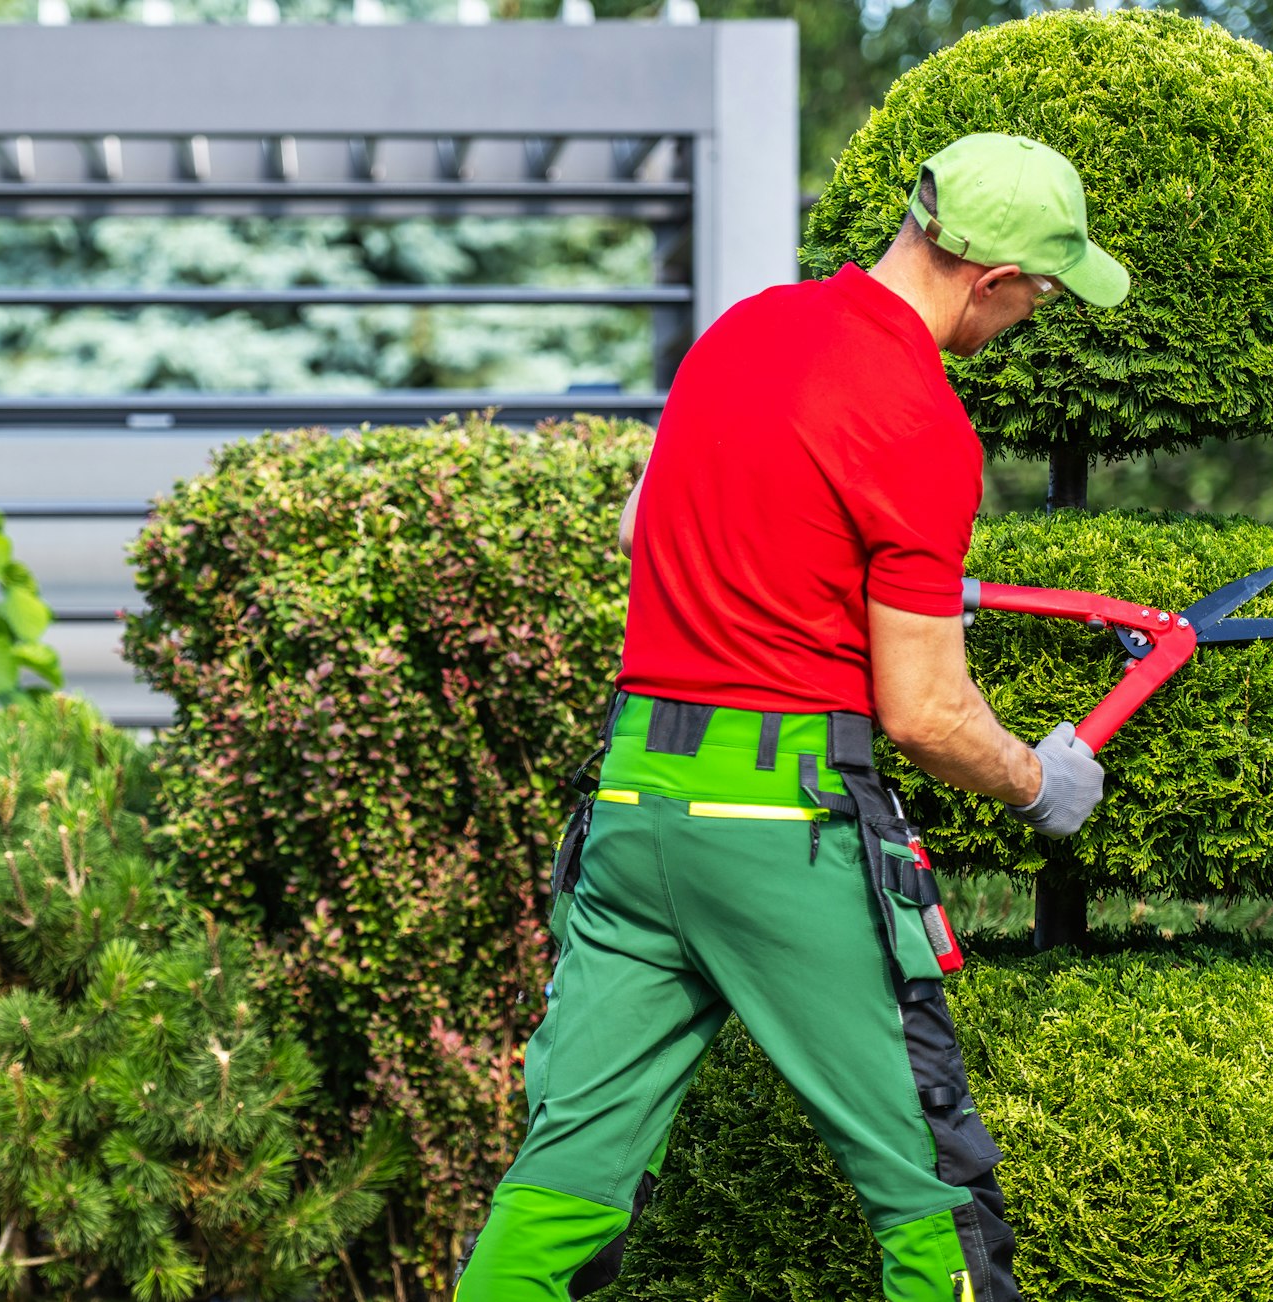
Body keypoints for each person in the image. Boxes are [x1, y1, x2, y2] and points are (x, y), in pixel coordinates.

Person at [452, 133, 1128, 1302]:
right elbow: (921, 712)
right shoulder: (920, 421)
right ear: (990, 279)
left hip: (631, 812)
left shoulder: (742, 332)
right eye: (1043, 294)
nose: (1033, 317)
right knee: (932, 1190)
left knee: (564, 1182)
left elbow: (638, 534)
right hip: (782, 826)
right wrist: (1038, 780)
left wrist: (814, 568)